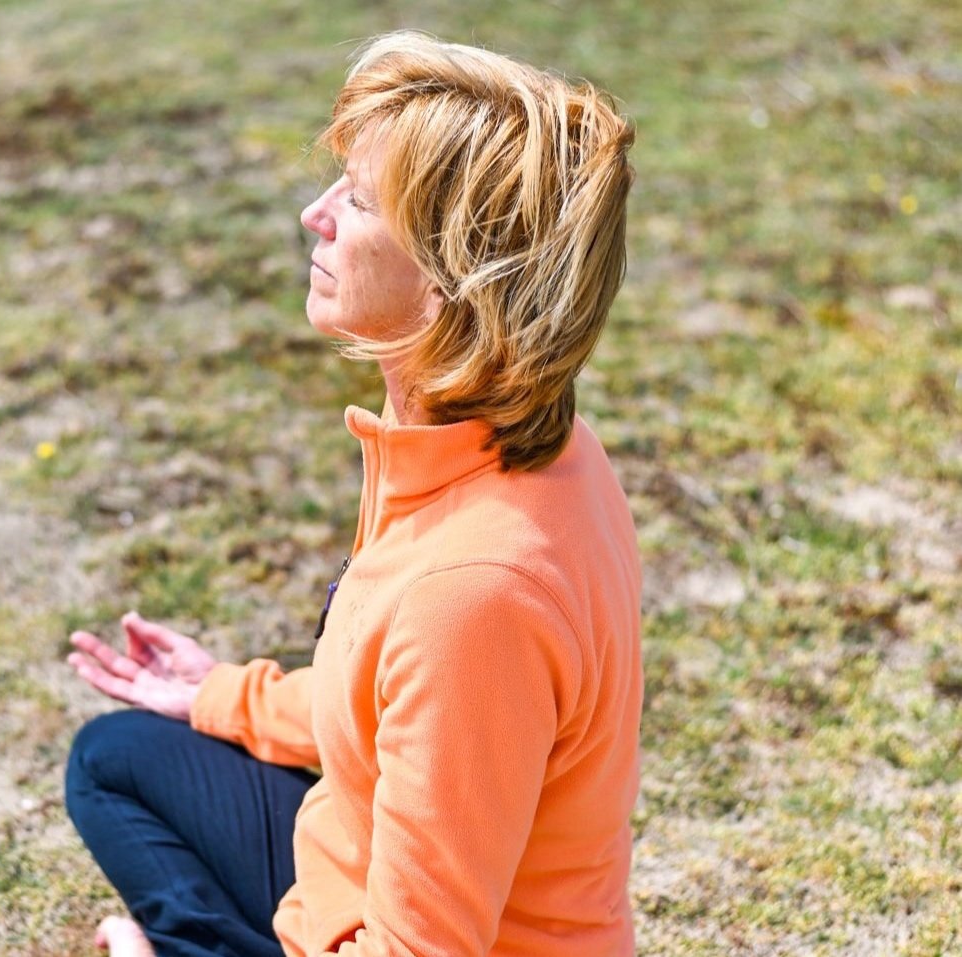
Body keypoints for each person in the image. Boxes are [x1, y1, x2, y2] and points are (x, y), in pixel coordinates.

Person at [65, 30, 641, 957]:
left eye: (361, 202)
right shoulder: (507, 444)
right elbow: (390, 709)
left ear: (458, 282)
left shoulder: (476, 595)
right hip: (353, 875)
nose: (313, 213)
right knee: (115, 758)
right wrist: (223, 695)